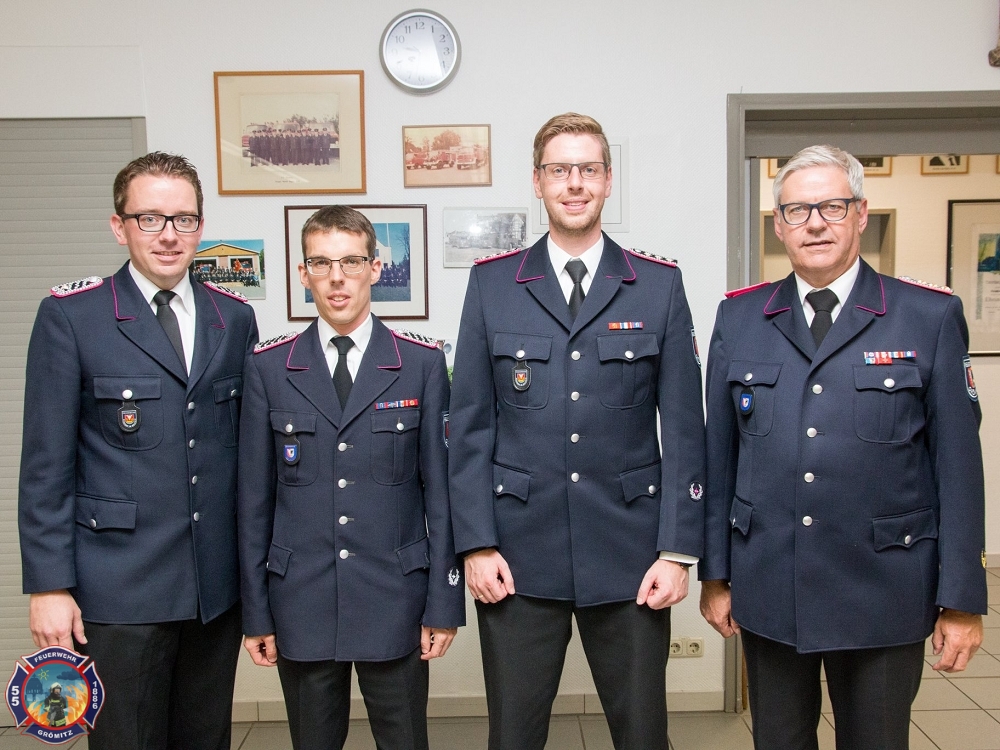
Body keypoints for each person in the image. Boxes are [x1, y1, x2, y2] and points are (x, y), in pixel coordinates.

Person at [700, 144, 988, 750]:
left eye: (831, 206)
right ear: (779, 225)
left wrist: (961, 600)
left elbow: (959, 469)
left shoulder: (927, 316)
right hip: (771, 583)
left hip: (884, 587)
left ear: (860, 213)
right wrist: (716, 575)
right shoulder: (740, 317)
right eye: (797, 210)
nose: (814, 223)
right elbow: (720, 458)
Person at [449, 112, 706, 750]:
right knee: (514, 736)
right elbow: (470, 427)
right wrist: (476, 544)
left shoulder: (657, 285)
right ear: (537, 181)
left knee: (643, 735)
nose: (574, 183)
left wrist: (677, 551)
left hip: (632, 556)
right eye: (559, 169)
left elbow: (684, 430)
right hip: (516, 556)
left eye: (588, 169)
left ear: (608, 180)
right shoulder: (492, 284)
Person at [18, 151, 259, 749]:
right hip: (118, 588)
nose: (169, 235)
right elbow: (46, 466)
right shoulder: (73, 317)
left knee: (205, 738)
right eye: (149, 218)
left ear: (201, 226)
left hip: (213, 589)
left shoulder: (234, 318)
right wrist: (49, 586)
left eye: (184, 219)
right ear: (118, 225)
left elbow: (242, 461)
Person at [239, 205, 464, 750]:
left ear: (375, 268)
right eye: (321, 263)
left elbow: (441, 497)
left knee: (404, 740)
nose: (336, 277)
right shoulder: (269, 367)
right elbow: (252, 502)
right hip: (302, 601)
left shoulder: (421, 364)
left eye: (351, 261)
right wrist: (255, 612)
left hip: (396, 597)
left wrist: (444, 603)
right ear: (303, 273)